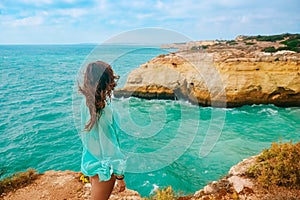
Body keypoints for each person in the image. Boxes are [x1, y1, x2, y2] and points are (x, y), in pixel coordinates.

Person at [78, 61, 126, 200]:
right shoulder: (104, 110)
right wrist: (120, 175)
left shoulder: (86, 102)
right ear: (107, 80)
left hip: (91, 164)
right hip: (103, 169)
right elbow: (110, 145)